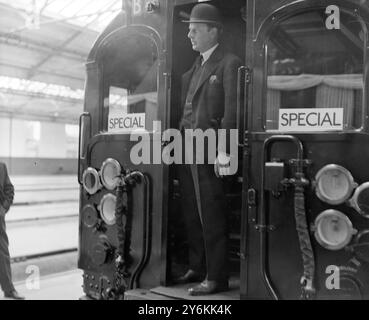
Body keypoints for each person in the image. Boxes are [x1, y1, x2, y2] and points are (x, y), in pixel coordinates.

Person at [175, 3, 242, 295]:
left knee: (211, 214)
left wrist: (225, 150)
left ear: (213, 31)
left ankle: (216, 277)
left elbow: (232, 111)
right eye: (189, 30)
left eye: (195, 30)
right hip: (186, 150)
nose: (189, 35)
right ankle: (197, 266)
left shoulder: (229, 63)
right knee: (191, 211)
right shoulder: (192, 70)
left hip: (211, 150)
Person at [0, 162, 25, 299]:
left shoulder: (1, 166)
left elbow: (9, 189)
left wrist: (3, 209)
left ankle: (9, 290)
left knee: (2, 254)